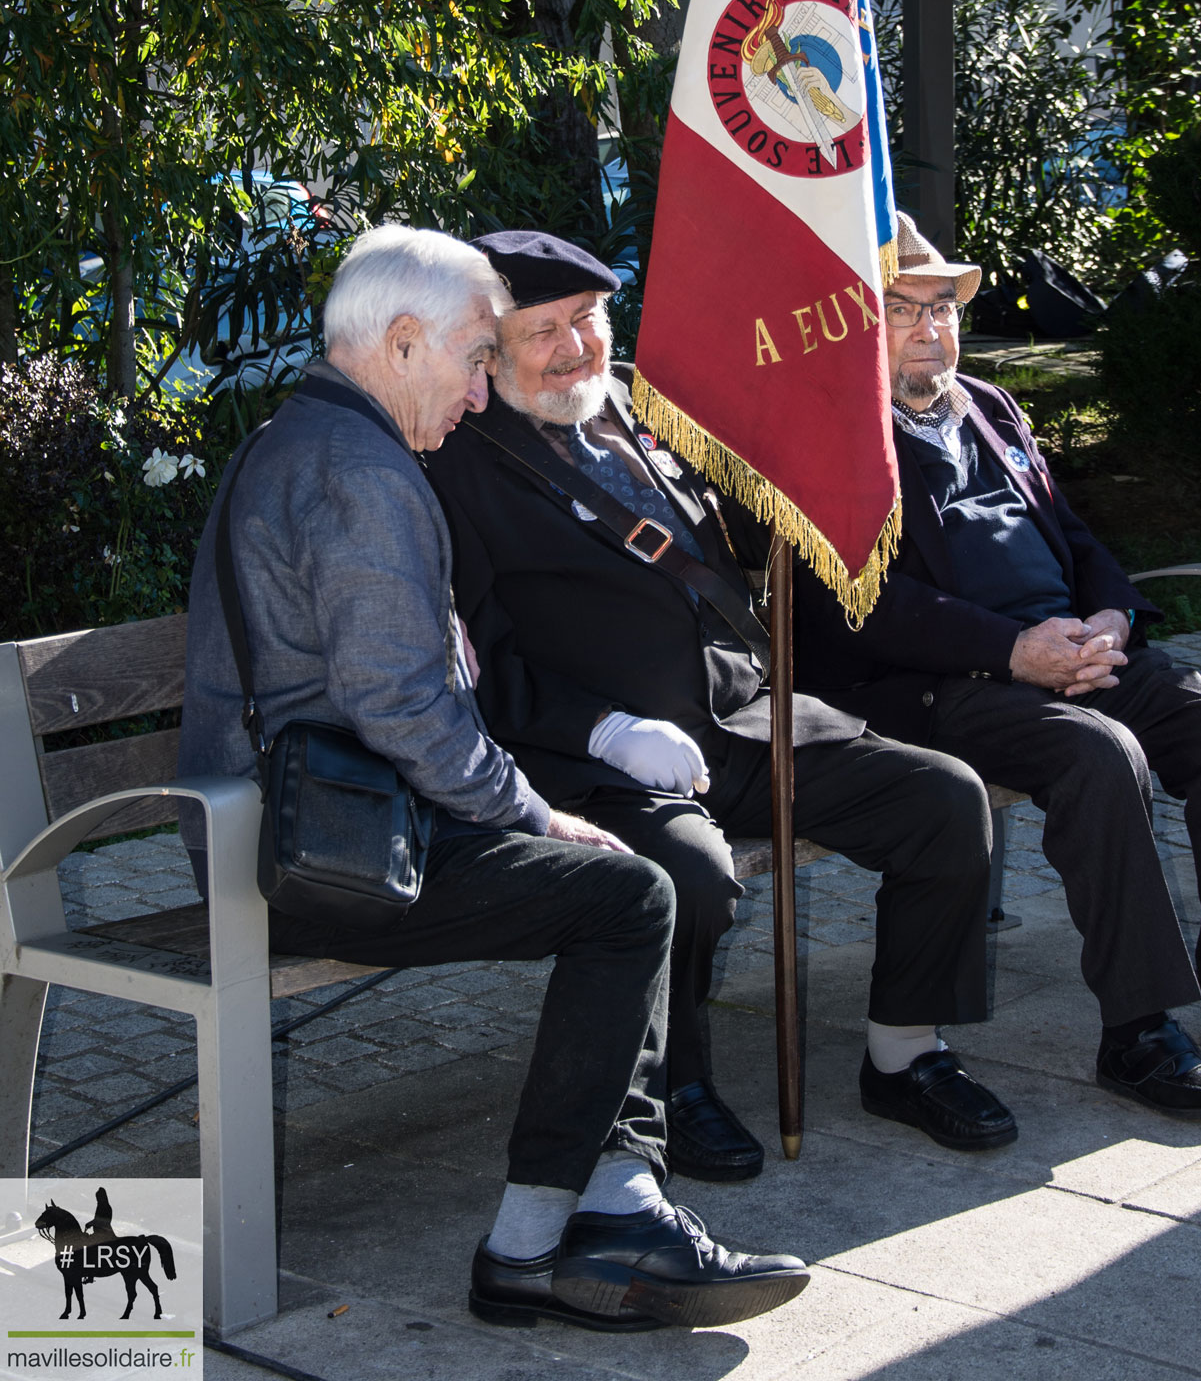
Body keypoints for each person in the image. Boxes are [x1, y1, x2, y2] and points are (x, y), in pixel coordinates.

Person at [178, 224, 807, 1335]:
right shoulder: (361, 469)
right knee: (626, 890)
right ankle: (550, 1235)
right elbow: (402, 705)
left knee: (627, 880)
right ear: (405, 340)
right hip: (320, 852)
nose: (479, 394)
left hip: (329, 814)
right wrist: (537, 811)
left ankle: (598, 1212)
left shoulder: (316, 436)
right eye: (477, 357)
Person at [423, 229, 1018, 1183]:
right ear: (487, 348)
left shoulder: (643, 416)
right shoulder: (453, 461)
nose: (576, 347)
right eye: (545, 331)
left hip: (741, 720)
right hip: (598, 763)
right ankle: (672, 1083)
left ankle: (906, 1056)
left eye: (589, 320)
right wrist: (602, 730)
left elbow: (734, 544)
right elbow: (473, 658)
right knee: (689, 879)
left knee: (941, 800)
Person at [793, 209, 1201, 1120]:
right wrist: (1013, 652)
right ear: (854, 319)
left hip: (1071, 651)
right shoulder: (824, 439)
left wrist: (1111, 619)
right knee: (1097, 754)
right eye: (905, 308)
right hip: (942, 684)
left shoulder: (990, 407)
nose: (934, 327)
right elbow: (857, 602)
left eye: (944, 307)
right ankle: (1140, 1031)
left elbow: (1074, 539)